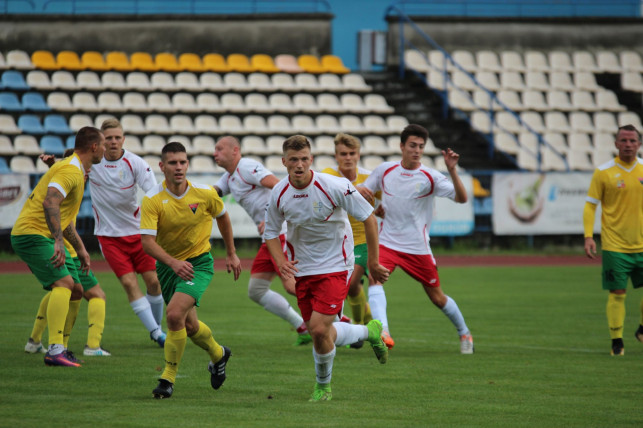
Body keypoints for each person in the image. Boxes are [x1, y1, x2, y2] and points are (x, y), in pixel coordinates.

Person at [264, 135, 390, 402]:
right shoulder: (279, 193)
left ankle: (323, 387)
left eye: (304, 159)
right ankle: (369, 331)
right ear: (284, 162)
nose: (299, 165)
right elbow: (271, 233)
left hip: (336, 265)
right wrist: (282, 264)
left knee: (320, 330)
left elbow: (368, 217)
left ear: (311, 160)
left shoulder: (334, 186)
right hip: (303, 268)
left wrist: (373, 261)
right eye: (293, 160)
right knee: (318, 331)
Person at [359, 124, 474, 354]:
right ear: (402, 146)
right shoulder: (384, 170)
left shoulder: (431, 176)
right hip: (387, 243)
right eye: (412, 145)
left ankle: (465, 333)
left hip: (417, 248)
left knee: (437, 298)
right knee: (375, 279)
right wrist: (373, 204)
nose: (417, 150)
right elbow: (363, 192)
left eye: (421, 146)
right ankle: (384, 333)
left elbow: (461, 198)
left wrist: (452, 170)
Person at [140, 142, 242, 399]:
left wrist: (230, 253)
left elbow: (223, 216)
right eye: (173, 163)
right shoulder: (153, 199)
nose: (179, 167)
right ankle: (219, 354)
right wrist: (173, 263)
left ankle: (167, 379)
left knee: (174, 316)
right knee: (190, 324)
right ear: (162, 167)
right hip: (168, 267)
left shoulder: (205, 193)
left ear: (188, 164)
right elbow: (147, 243)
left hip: (199, 264)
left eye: (183, 162)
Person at [11, 126, 105, 367]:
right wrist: (58, 242)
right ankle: (54, 350)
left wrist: (81, 249)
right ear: (94, 147)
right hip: (32, 234)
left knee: (75, 289)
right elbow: (50, 202)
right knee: (63, 283)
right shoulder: (71, 170)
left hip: (42, 234)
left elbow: (64, 221)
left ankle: (60, 347)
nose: (105, 149)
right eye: (103, 145)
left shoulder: (74, 170)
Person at [212, 136, 311, 345]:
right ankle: (302, 327)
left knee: (293, 286)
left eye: (220, 149)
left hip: (280, 233)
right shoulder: (229, 178)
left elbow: (277, 185)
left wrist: (272, 218)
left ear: (235, 151)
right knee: (256, 290)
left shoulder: (247, 166)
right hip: (269, 239)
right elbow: (212, 195)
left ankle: (339, 321)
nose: (215, 153)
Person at [91, 118, 166, 347]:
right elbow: (68, 167)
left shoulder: (136, 163)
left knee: (154, 282)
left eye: (117, 137)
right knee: (129, 284)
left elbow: (154, 195)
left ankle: (158, 327)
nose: (113, 142)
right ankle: (156, 333)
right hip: (109, 237)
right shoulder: (91, 163)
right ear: (101, 141)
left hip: (138, 235)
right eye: (108, 138)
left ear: (123, 139)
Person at [583, 124, 643, 356]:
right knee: (618, 293)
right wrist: (589, 236)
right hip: (615, 245)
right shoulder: (604, 172)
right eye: (624, 140)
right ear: (616, 144)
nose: (628, 144)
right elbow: (590, 206)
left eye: (632, 140)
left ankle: (641, 328)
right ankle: (616, 341)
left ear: (638, 144)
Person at [321, 133, 381, 347]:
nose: (348, 157)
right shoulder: (329, 174)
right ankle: (369, 326)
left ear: (359, 154)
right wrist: (354, 189)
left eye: (352, 153)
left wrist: (376, 204)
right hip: (338, 242)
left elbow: (383, 209)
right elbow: (330, 184)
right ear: (336, 156)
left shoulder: (370, 179)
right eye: (343, 154)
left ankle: (356, 326)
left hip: (363, 240)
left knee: (352, 282)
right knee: (353, 289)